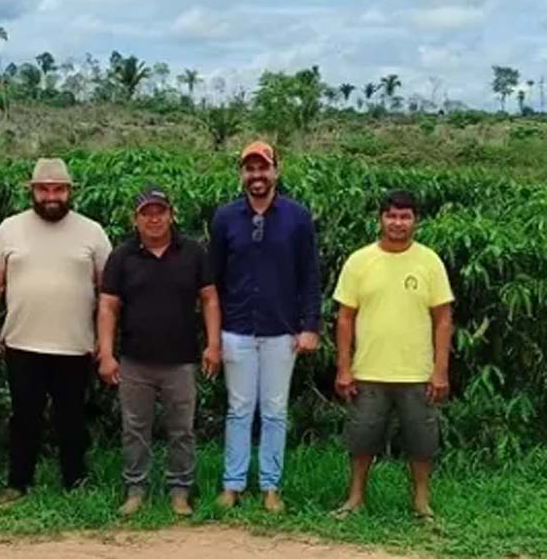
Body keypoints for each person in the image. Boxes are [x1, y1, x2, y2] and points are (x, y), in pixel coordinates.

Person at [0, 158, 112, 507]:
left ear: (70, 191)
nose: (51, 196)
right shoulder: (9, 229)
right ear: (33, 191)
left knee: (72, 418)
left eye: (58, 189)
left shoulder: (92, 232)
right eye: (44, 189)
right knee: (24, 418)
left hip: (75, 345)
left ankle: (75, 481)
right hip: (22, 342)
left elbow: (108, 291)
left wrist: (105, 341)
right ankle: (17, 483)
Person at [209, 140, 321, 513]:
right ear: (242, 173)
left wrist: (309, 326)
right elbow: (213, 280)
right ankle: (233, 484)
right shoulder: (225, 218)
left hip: (281, 330)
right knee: (238, 410)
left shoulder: (297, 217)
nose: (256, 175)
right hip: (236, 328)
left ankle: (271, 487)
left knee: (274, 411)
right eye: (250, 168)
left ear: (276, 170)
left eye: (263, 167)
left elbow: (309, 276)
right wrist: (213, 333)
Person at [97, 186, 221, 517]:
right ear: (135, 219)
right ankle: (135, 490)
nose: (154, 219)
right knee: (134, 429)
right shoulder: (122, 256)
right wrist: (106, 354)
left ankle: (180, 491)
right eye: (146, 213)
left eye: (160, 212)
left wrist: (213, 344)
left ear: (171, 215)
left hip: (181, 360)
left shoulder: (193, 252)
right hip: (134, 360)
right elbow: (108, 306)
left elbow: (209, 298)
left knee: (182, 430)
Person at [332, 190, 454, 522]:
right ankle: (355, 498)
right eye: (391, 216)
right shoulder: (360, 261)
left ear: (415, 221)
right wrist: (344, 367)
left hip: (417, 373)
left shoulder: (429, 261)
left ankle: (422, 502)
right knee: (361, 439)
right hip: (368, 371)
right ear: (380, 219)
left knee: (422, 441)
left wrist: (440, 370)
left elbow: (443, 319)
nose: (397, 223)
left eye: (405, 216)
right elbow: (345, 318)